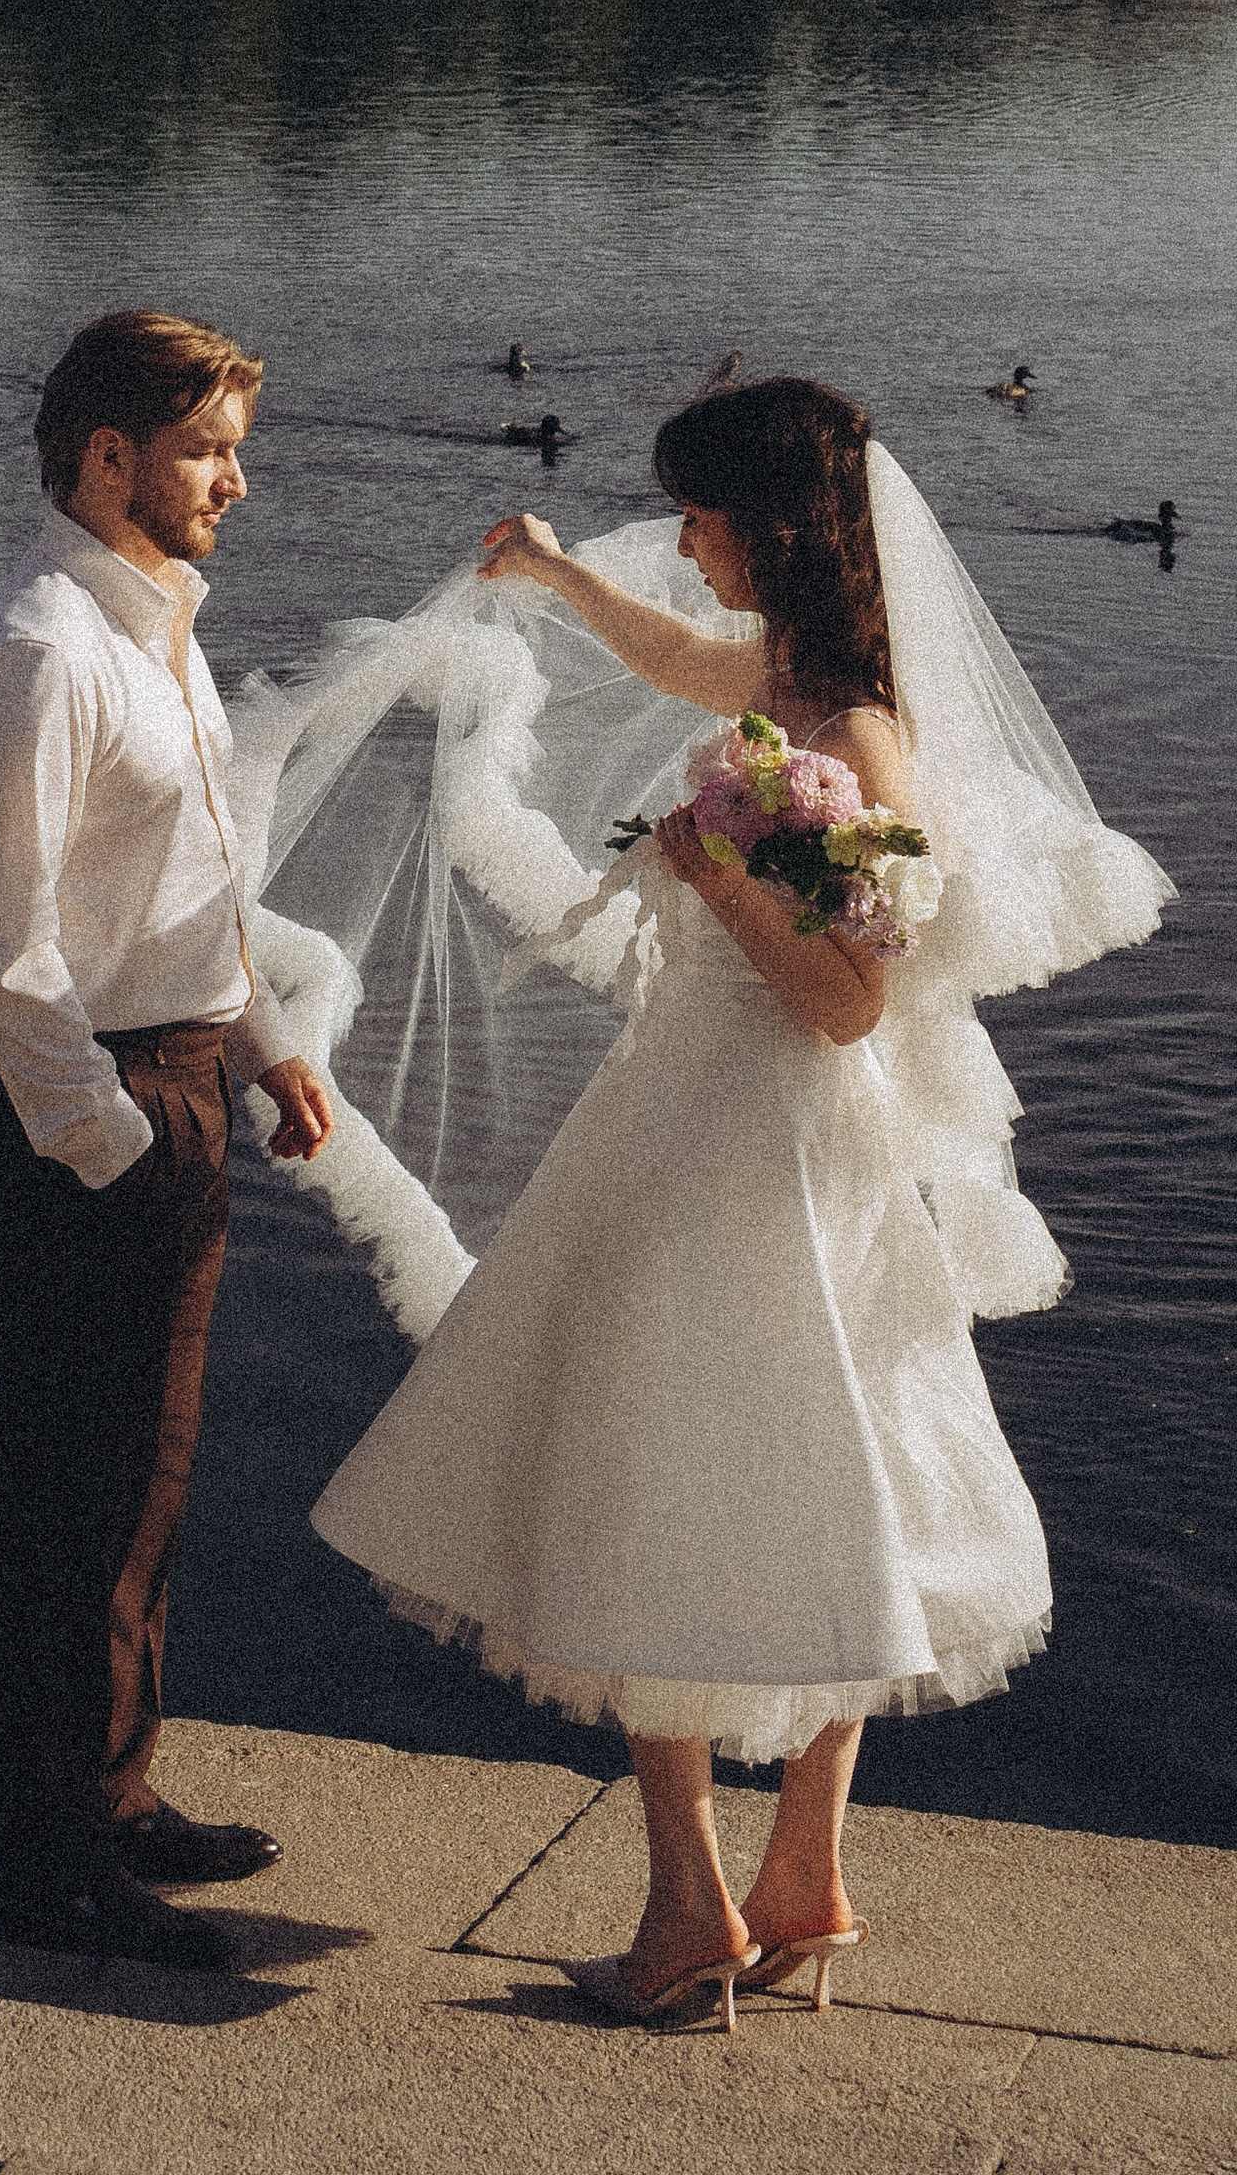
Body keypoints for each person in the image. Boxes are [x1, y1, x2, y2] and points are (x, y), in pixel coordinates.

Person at [306, 375, 1147, 2030]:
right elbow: (677, 663)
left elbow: (848, 1001)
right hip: (723, 1117)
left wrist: (716, 879)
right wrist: (555, 575)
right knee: (836, 1473)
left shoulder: (860, 740)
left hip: (744, 1128)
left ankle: (692, 1909)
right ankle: (798, 1879)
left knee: (652, 1469)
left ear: (770, 525)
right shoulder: (805, 680)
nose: (683, 543)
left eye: (698, 517)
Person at [0, 309, 336, 1966]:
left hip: (174, 1075)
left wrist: (256, 1047)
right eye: (208, 449)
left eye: (236, 446)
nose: (237, 481)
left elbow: (183, 892)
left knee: (144, 1487)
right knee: (65, 1501)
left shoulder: (155, 626)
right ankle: (48, 1871)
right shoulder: (42, 651)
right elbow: (11, 952)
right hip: (81, 1107)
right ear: (110, 456)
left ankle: (109, 1796)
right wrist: (107, 1146)